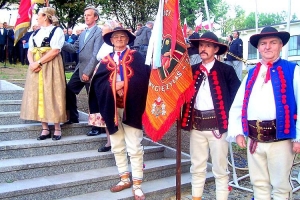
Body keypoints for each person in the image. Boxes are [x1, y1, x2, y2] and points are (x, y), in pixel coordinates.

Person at [227, 26, 300, 200]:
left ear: (281, 45)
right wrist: (238, 132)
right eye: (263, 43)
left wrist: (298, 137)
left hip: (281, 140)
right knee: (259, 184)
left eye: (273, 42)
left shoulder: (293, 70)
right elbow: (238, 105)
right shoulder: (251, 74)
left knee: (281, 186)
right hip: (255, 140)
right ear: (258, 48)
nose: (267, 47)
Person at [89, 27, 150, 200]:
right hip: (112, 108)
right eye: (116, 37)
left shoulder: (137, 57)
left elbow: (143, 79)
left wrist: (125, 84)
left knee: (135, 146)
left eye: (122, 36)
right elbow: (97, 85)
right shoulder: (105, 61)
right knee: (116, 144)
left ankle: (137, 184)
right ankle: (124, 178)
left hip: (132, 107)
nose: (119, 39)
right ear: (111, 40)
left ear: (127, 39)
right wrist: (112, 86)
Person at [181, 32, 240, 200]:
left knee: (220, 169)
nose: (203, 49)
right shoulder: (192, 71)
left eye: (207, 46)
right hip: (197, 127)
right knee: (197, 166)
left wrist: (234, 125)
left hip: (218, 128)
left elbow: (238, 99)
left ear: (215, 49)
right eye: (201, 45)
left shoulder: (226, 70)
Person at [20, 7, 66, 140]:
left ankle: (57, 127)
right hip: (36, 67)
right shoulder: (35, 33)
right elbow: (30, 50)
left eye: (39, 15)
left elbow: (55, 51)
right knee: (38, 94)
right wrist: (32, 64)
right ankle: (44, 127)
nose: (36, 18)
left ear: (45, 16)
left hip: (50, 66)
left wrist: (39, 62)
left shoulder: (56, 31)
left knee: (53, 92)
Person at [62, 5, 104, 137]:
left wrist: (88, 72)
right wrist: (59, 41)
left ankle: (97, 126)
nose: (86, 17)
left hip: (92, 69)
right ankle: (73, 117)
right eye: (85, 15)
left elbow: (96, 54)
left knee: (93, 97)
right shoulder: (83, 33)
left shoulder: (99, 32)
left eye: (89, 15)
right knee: (69, 89)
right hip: (80, 68)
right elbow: (74, 48)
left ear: (95, 17)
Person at [89, 20, 119, 152]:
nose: (102, 31)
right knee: (102, 107)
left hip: (112, 76)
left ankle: (117, 142)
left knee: (112, 109)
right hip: (101, 74)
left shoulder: (118, 46)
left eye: (104, 29)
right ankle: (109, 141)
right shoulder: (104, 44)